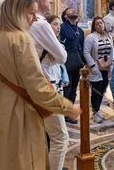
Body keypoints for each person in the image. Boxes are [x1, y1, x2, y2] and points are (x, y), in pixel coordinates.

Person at [0, 0, 80, 169]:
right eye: (31, 13)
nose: (34, 19)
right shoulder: (20, 39)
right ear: (17, 11)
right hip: (19, 118)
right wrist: (68, 107)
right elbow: (38, 88)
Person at [42, 14, 69, 170]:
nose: (59, 27)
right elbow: (60, 58)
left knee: (50, 135)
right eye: (55, 24)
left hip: (57, 87)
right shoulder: (45, 44)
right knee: (61, 137)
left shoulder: (53, 42)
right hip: (49, 89)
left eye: (59, 25)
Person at [84, 16, 114, 123]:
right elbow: (86, 52)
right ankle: (95, 111)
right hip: (96, 68)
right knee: (96, 90)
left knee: (102, 90)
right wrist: (92, 65)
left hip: (106, 67)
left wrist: (112, 63)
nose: (100, 25)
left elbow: (112, 51)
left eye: (101, 23)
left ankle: (97, 110)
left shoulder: (108, 36)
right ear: (94, 26)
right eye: (97, 24)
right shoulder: (91, 37)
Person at [60, 7, 85, 124]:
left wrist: (84, 64)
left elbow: (82, 48)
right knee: (67, 88)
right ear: (65, 15)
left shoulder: (80, 31)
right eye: (70, 10)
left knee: (74, 89)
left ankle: (69, 113)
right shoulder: (62, 28)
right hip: (66, 63)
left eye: (75, 10)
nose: (74, 11)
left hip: (77, 63)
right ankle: (63, 113)